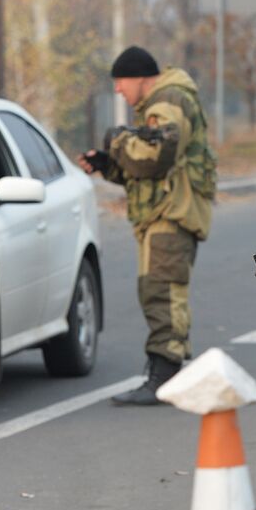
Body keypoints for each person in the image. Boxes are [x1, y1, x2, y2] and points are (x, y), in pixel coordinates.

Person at [77, 45, 217, 406]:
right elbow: (145, 170)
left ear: (140, 77)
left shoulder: (168, 100)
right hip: (162, 213)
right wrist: (109, 162)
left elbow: (158, 155)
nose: (119, 91)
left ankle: (162, 377)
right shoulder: (161, 103)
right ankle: (165, 373)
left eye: (121, 82)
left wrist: (119, 139)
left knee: (162, 292)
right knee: (158, 290)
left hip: (171, 215)